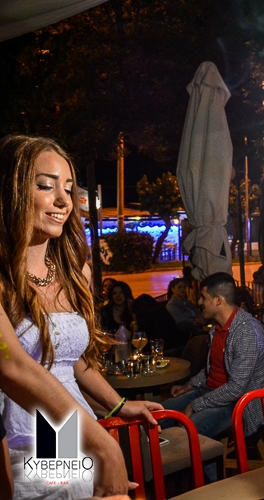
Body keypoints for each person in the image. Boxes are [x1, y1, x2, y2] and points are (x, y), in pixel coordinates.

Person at [0, 135, 161, 499]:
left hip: (74, 429)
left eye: (69, 188)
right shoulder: (3, 280)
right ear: (11, 192)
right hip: (24, 429)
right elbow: (13, 367)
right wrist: (106, 446)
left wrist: (118, 404)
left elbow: (70, 359)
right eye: (46, 186)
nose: (64, 200)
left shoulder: (75, 273)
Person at [163, 272, 264, 441]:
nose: (199, 302)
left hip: (239, 403)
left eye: (203, 298)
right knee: (156, 415)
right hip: (211, 393)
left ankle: (195, 458)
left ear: (218, 300)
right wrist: (190, 386)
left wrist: (195, 405)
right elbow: (211, 369)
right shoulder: (217, 329)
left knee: (185, 432)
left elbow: (236, 389)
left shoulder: (246, 331)